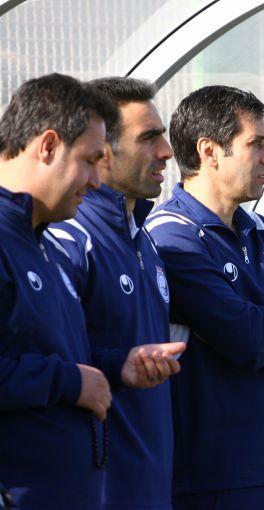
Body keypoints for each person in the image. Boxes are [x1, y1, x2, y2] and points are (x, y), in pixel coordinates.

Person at [144, 85, 264, 510]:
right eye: (256, 144)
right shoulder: (171, 238)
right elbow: (247, 337)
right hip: (215, 478)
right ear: (209, 151)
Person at [48, 77, 186, 510]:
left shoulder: (143, 239)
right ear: (102, 150)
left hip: (152, 488)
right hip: (102, 492)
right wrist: (117, 366)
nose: (166, 151)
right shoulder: (69, 239)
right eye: (148, 138)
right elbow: (49, 360)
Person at [0, 73, 117, 509]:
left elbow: (45, 352)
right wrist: (68, 381)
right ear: (48, 146)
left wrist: (117, 367)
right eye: (89, 160)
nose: (97, 181)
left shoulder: (44, 243)